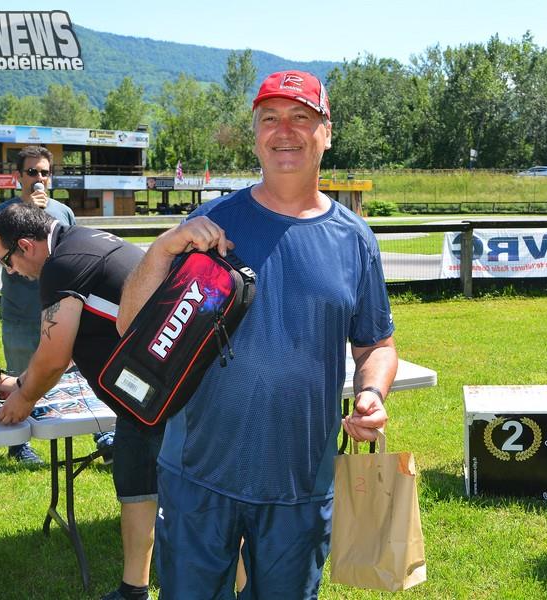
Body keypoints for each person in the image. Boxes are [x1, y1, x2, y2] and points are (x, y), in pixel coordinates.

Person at [117, 70, 398, 599]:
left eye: (301, 117)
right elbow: (131, 326)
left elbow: (375, 345)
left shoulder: (355, 240)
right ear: (255, 134)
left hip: (300, 483)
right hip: (200, 474)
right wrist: (161, 250)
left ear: (327, 132)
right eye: (270, 118)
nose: (284, 131)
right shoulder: (210, 223)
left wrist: (371, 392)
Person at [0, 203, 162, 600]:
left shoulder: (60, 266)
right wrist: (21, 380)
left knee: (194, 500)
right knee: (136, 485)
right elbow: (66, 347)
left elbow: (53, 355)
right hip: (149, 395)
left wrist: (25, 397)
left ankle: (238, 587)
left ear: (26, 246)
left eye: (6, 261)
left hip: (162, 392)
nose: (10, 271)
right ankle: (134, 589)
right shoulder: (85, 241)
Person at [0, 146, 76, 464]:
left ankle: (89, 433)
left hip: (58, 312)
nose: (38, 178)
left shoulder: (63, 211)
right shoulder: (3, 213)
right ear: (18, 177)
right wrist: (30, 211)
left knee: (66, 373)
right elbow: (4, 260)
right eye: (31, 172)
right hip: (20, 313)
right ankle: (18, 444)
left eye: (44, 172)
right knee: (18, 377)